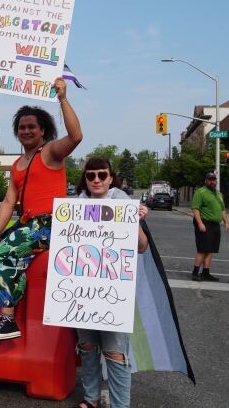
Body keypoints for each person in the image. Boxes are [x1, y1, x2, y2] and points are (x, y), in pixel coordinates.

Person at [0, 77, 82, 342]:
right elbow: (9, 203)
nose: (26, 131)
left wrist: (63, 98)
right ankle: (19, 316)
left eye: (31, 126)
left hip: (50, 223)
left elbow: (76, 136)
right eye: (21, 127)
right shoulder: (16, 165)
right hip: (28, 225)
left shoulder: (50, 152)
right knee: (6, 257)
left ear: (43, 130)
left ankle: (8, 320)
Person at [74, 157, 148, 408]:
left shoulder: (123, 203)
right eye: (90, 175)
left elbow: (141, 246)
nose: (96, 180)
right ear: (84, 178)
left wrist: (135, 220)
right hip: (82, 290)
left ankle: (120, 405)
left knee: (115, 352)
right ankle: (91, 398)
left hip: (114, 292)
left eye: (101, 175)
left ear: (111, 177)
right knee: (87, 346)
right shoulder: (76, 206)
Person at [190, 172, 229, 282]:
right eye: (210, 179)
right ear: (206, 181)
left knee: (210, 249)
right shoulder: (200, 192)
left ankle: (206, 273)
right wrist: (200, 223)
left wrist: (226, 222)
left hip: (215, 225)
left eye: (214, 179)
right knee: (203, 249)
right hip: (204, 222)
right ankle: (195, 272)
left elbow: (222, 210)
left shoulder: (218, 194)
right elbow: (195, 208)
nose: (212, 181)